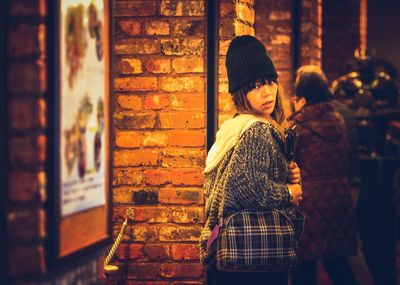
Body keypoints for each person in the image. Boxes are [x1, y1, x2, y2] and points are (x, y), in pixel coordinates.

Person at [199, 35, 303, 285]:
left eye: (270, 82)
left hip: (232, 258)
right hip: (254, 257)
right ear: (240, 92)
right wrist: (288, 192)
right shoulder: (257, 129)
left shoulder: (233, 128)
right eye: (255, 86)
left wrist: (289, 174)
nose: (267, 92)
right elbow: (246, 189)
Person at [289, 65, 358, 285]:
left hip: (308, 205)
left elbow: (288, 166)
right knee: (337, 263)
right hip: (337, 200)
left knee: (303, 268)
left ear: (302, 94)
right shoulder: (338, 119)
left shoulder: (297, 125)